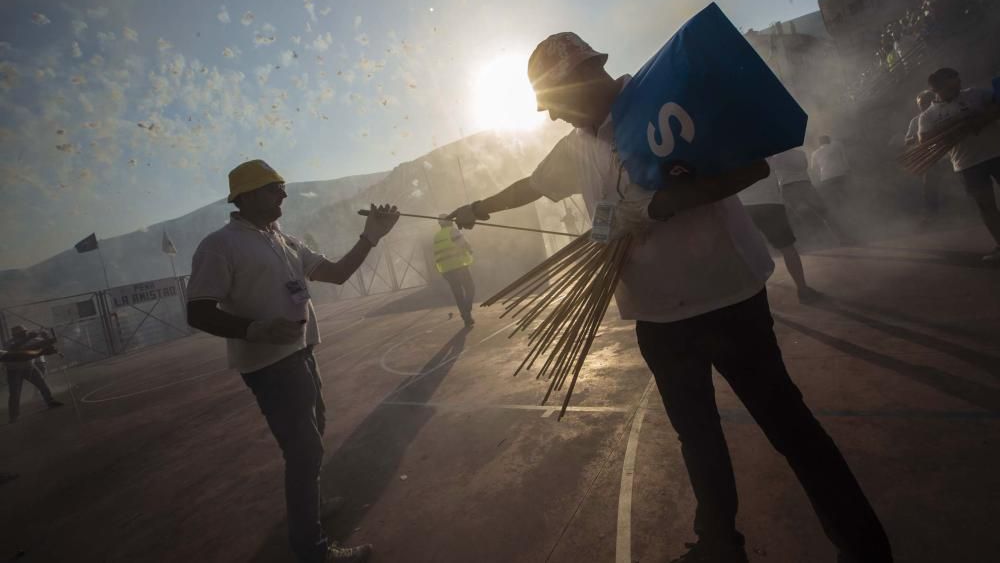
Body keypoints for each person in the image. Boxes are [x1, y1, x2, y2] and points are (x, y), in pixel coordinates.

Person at [449, 33, 892, 563]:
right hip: (658, 318)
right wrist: (482, 205)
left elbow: (751, 168)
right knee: (697, 438)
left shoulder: (662, 97)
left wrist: (660, 206)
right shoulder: (578, 142)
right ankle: (719, 545)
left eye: (555, 103)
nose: (551, 118)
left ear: (586, 76)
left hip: (726, 298)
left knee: (789, 427)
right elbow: (534, 184)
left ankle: (865, 547)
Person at [186, 159, 399, 563]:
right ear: (245, 196)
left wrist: (370, 237)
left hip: (301, 354)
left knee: (312, 436)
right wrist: (255, 329)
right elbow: (197, 311)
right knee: (305, 451)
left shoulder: (285, 240)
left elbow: (335, 274)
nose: (283, 193)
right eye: (273, 187)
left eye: (282, 186)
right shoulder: (221, 244)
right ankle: (312, 550)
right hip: (271, 365)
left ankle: (311, 508)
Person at [917, 68, 1000, 261]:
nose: (958, 85)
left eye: (958, 81)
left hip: (997, 153)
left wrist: (982, 118)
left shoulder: (976, 94)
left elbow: (997, 106)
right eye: (951, 84)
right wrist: (957, 122)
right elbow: (925, 140)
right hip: (967, 164)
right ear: (938, 89)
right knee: (986, 206)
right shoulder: (928, 116)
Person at [737, 162, 822, 303]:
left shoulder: (727, 149)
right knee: (787, 247)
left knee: (746, 252)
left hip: (743, 205)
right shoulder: (767, 144)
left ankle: (751, 298)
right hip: (769, 202)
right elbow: (794, 162)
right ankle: (803, 290)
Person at [771, 147, 851, 244]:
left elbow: (801, 166)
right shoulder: (798, 153)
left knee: (813, 214)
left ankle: (834, 239)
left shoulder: (780, 157)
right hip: (801, 185)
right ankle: (834, 239)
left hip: (791, 187)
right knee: (816, 213)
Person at [5, 325, 63, 424]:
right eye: (22, 332)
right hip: (14, 370)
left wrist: (48, 339)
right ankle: (13, 416)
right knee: (15, 393)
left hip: (28, 367)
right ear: (16, 334)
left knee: (41, 383)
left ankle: (50, 401)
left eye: (24, 332)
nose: (25, 333)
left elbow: (42, 344)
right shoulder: (11, 342)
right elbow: (14, 348)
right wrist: (29, 337)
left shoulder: (28, 340)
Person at [904, 90, 942, 224]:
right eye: (920, 104)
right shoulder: (915, 121)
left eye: (926, 102)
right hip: (928, 158)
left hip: (948, 156)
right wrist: (918, 137)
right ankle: (932, 215)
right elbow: (907, 140)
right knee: (929, 187)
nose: (922, 106)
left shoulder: (940, 113)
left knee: (956, 183)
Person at [433, 215, 476, 326]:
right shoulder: (452, 231)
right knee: (470, 288)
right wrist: (470, 250)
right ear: (449, 221)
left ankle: (466, 318)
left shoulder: (437, 236)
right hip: (459, 265)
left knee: (458, 293)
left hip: (446, 269)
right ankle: (467, 310)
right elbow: (463, 244)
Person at [810, 135, 851, 210]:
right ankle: (848, 209)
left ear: (819, 144)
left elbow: (814, 169)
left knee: (832, 198)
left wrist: (820, 176)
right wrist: (847, 169)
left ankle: (838, 212)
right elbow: (844, 157)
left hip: (826, 178)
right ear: (829, 140)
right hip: (840, 174)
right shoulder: (837, 145)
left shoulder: (815, 153)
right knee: (844, 194)